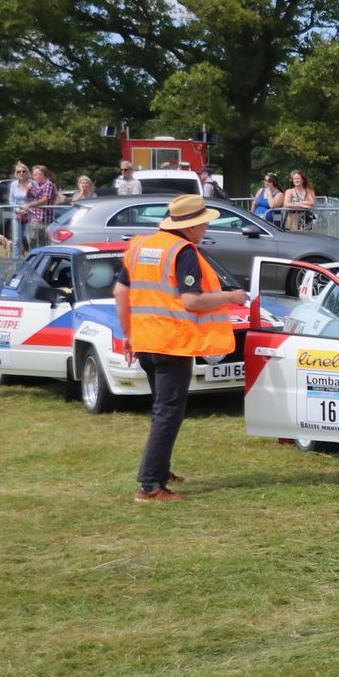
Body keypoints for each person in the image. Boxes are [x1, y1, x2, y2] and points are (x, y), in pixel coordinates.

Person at [114, 194, 248, 502]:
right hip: (172, 343)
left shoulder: (140, 246)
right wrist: (232, 297)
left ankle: (159, 471)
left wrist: (128, 334)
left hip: (145, 340)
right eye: (203, 223)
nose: (206, 228)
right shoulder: (184, 251)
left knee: (162, 409)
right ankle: (150, 485)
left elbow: (121, 292)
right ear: (189, 226)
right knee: (168, 413)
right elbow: (192, 301)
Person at [24, 166, 58, 251]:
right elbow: (29, 197)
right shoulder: (36, 185)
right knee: (32, 240)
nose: (34, 177)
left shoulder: (48, 184)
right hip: (35, 217)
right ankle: (35, 260)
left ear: (43, 174)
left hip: (43, 218)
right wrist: (29, 189)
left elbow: (44, 200)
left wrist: (29, 205)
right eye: (34, 175)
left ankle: (41, 261)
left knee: (40, 242)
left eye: (36, 174)